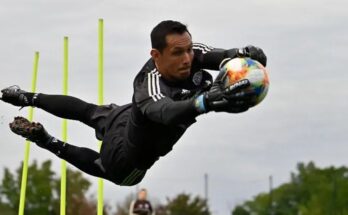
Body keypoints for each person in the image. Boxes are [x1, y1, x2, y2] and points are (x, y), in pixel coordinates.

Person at [0, 20, 267, 186]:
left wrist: (246, 56)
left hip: (121, 117)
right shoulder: (147, 85)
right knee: (105, 170)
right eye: (178, 53)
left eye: (188, 49)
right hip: (129, 154)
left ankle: (26, 97)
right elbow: (165, 112)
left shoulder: (190, 51)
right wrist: (203, 102)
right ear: (156, 55)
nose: (187, 58)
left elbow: (223, 56)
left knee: (88, 111)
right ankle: (47, 140)